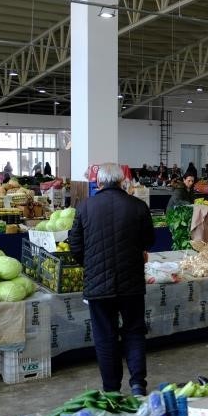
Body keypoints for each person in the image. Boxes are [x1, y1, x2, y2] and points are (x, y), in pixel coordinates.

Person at [69, 163, 155, 395]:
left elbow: (75, 245)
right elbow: (149, 240)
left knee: (105, 337)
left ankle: (112, 390)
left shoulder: (85, 206)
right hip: (132, 283)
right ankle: (138, 385)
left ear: (98, 183)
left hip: (98, 286)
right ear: (121, 182)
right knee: (134, 332)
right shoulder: (138, 206)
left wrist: (91, 265)